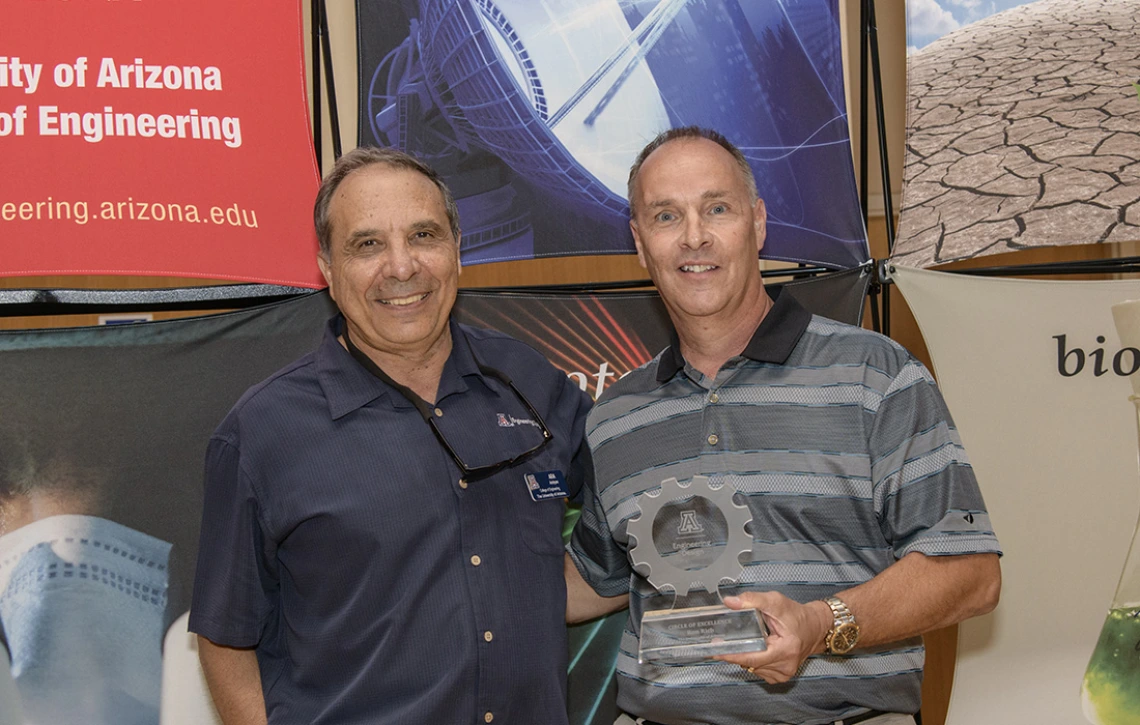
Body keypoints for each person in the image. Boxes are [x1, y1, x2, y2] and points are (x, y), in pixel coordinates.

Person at [565, 127, 1002, 725]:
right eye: (667, 216)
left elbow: (970, 573)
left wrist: (821, 624)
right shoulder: (615, 418)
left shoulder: (876, 376)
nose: (695, 235)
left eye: (717, 208)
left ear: (758, 222)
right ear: (641, 244)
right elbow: (593, 580)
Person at [189, 146, 593, 725]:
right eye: (367, 244)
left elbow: (631, 502)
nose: (401, 266)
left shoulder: (530, 382)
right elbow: (226, 639)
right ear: (327, 268)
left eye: (424, 235)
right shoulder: (261, 433)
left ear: (457, 249)